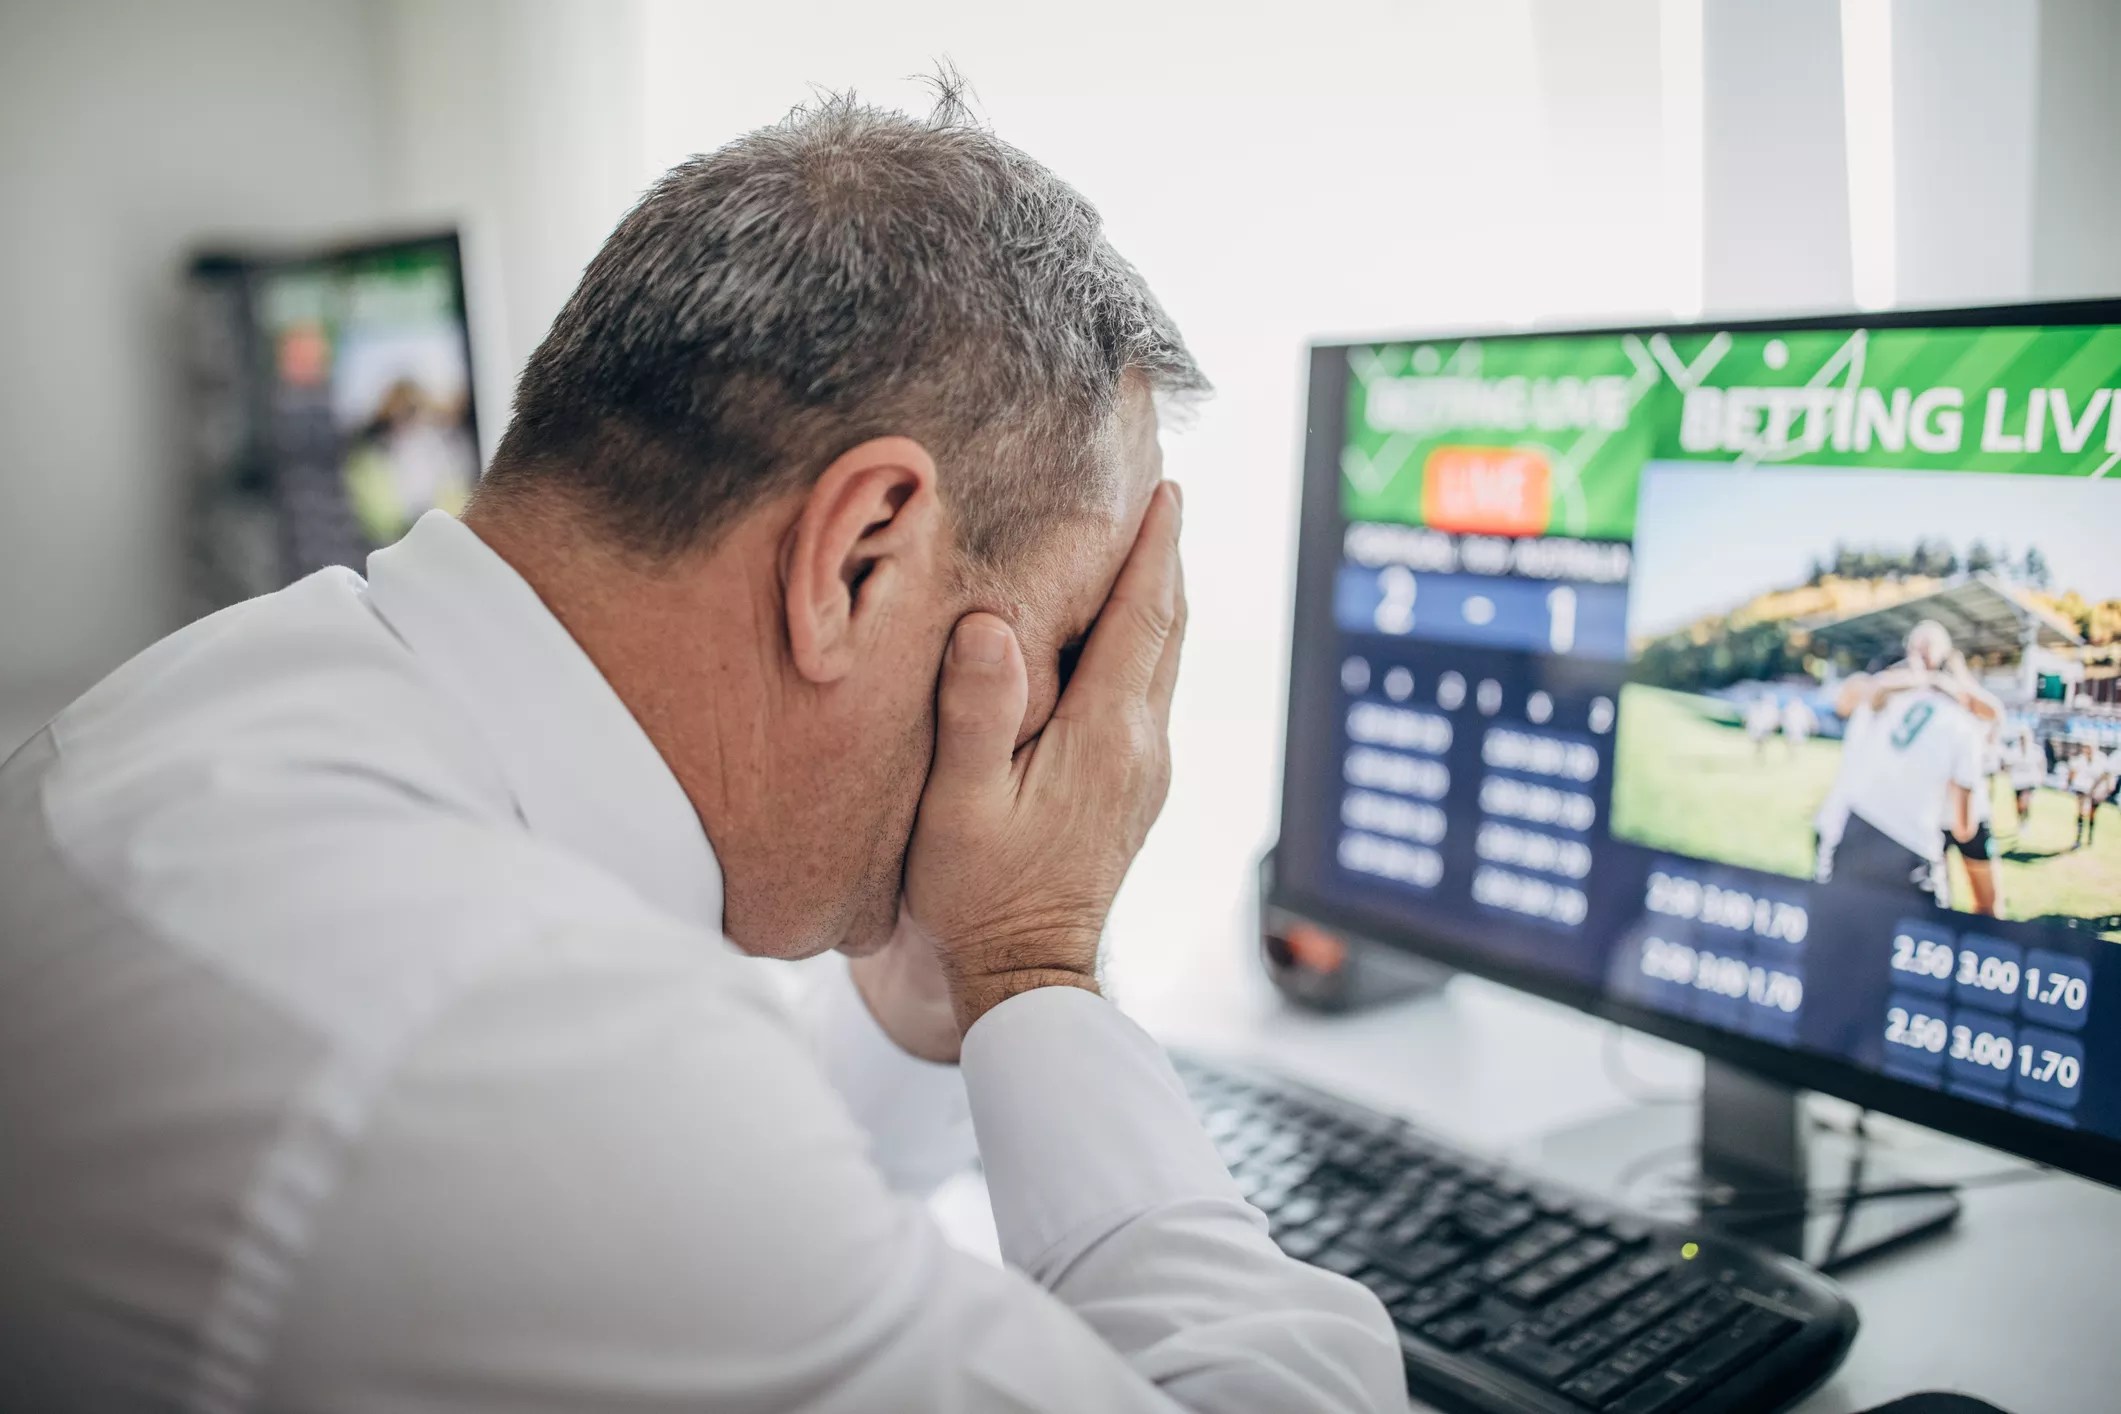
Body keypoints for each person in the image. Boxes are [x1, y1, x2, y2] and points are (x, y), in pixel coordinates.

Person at [0, 86, 1402, 1413]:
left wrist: (933, 999)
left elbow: (752, 1235)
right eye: (1081, 639)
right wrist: (1033, 957)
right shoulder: (517, 1053)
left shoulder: (239, 699)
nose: (1084, 724)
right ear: (856, 559)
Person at [1814, 622, 1987, 904]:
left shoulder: (1887, 697)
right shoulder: (1886, 694)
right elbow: (1963, 827)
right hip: (1903, 843)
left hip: (1855, 830)